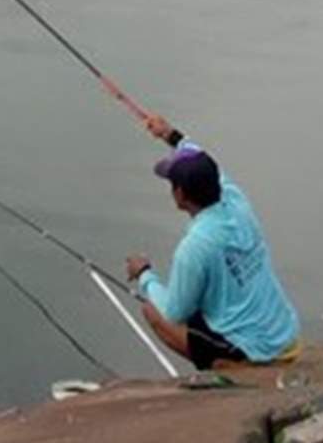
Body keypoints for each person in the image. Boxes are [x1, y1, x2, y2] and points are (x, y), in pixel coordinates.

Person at [124, 114, 300, 370]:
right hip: (286, 335)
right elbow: (209, 163)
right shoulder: (235, 201)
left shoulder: (194, 247)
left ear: (180, 195)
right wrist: (171, 135)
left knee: (153, 310)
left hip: (258, 351)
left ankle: (231, 366)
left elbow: (174, 313)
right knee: (205, 297)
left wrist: (144, 275)